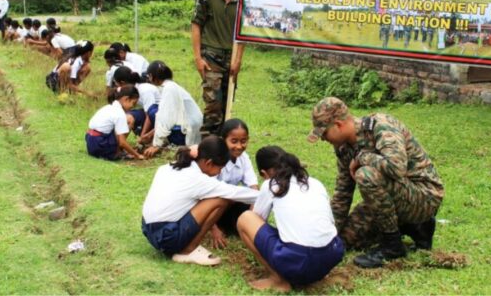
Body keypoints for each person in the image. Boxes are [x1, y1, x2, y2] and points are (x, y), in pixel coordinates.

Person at [307, 97, 444, 268]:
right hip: (393, 196)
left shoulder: (381, 126)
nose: (323, 139)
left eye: (324, 133)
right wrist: (330, 235)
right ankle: (416, 227)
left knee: (366, 175)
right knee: (346, 240)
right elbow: (343, 192)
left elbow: (396, 168)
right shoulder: (343, 146)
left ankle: (392, 245)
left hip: (424, 197)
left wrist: (362, 157)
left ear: (338, 124)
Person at [236, 146, 344, 292]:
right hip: (332, 254)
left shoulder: (271, 184)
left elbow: (258, 218)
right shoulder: (315, 182)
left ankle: (278, 279)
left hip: (299, 262)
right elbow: (331, 222)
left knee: (245, 219)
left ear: (264, 173)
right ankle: (318, 273)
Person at [141, 135, 259, 266]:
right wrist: (269, 194)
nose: (219, 172)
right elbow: (234, 192)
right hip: (166, 238)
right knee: (221, 200)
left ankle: (183, 244)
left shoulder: (169, 167)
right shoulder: (199, 180)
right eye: (220, 168)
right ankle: (188, 251)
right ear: (208, 163)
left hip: (148, 229)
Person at [191, 0, 245, 135]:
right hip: (211, 56)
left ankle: (223, 144)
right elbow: (196, 26)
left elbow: (242, 33)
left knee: (227, 103)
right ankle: (208, 145)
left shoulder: (241, 1)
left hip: (231, 57)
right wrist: (198, 58)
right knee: (213, 104)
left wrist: (238, 60)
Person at [208, 119, 258, 248]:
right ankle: (214, 225)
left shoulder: (243, 157)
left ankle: (237, 226)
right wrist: (213, 229)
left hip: (229, 203)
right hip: (212, 206)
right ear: (223, 140)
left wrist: (253, 220)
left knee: (258, 201)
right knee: (221, 201)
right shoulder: (215, 160)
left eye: (243, 141)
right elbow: (205, 196)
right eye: (234, 141)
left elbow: (254, 189)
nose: (239, 146)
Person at [143, 61, 202, 158]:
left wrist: (156, 144)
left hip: (188, 131)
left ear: (152, 76)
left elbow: (165, 118)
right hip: (194, 127)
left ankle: (168, 144)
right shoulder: (171, 86)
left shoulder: (169, 88)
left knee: (153, 112)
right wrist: (151, 134)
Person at [85, 85, 144, 160]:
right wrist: (137, 155)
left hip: (90, 143)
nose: (133, 107)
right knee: (126, 124)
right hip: (100, 145)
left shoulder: (108, 107)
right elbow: (122, 142)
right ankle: (116, 153)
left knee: (117, 129)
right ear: (126, 99)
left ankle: (117, 151)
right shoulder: (120, 113)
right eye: (133, 103)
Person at [113, 66, 160, 144]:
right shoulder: (130, 90)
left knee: (128, 118)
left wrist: (143, 135)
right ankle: (118, 145)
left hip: (157, 117)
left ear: (122, 83)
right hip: (148, 115)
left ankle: (121, 144)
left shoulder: (145, 90)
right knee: (127, 118)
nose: (117, 87)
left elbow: (149, 115)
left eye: (117, 84)